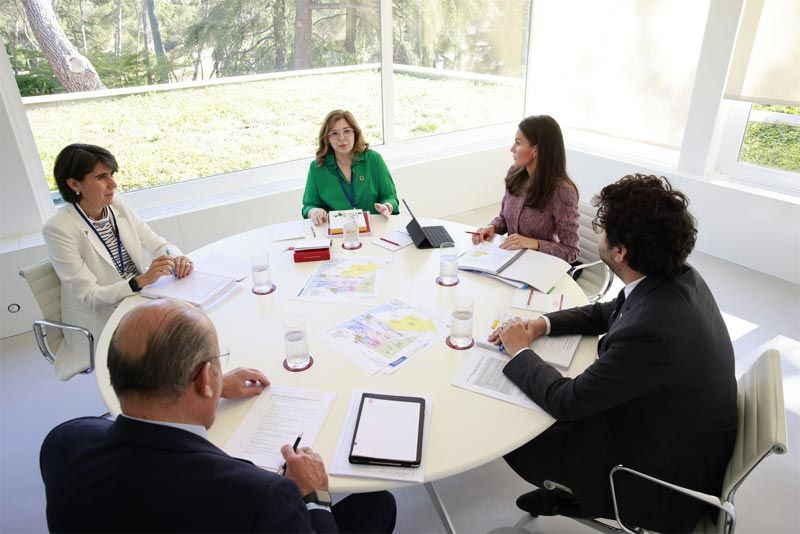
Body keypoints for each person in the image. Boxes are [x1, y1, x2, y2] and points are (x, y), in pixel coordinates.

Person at [491, 174, 737, 532]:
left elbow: (568, 401)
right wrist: (539, 325)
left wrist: (519, 351)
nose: (598, 233)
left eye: (602, 228)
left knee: (515, 435)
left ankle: (577, 494)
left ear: (620, 252)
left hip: (654, 479)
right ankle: (572, 496)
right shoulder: (676, 277)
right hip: (672, 432)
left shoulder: (653, 330)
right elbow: (608, 311)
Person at [40, 299, 397, 533]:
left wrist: (212, 386)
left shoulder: (63, 441)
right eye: (216, 363)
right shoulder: (264, 496)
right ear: (202, 379)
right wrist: (312, 495)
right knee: (377, 502)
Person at [42, 143, 193, 380]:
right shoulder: (59, 229)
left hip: (140, 295)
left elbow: (154, 241)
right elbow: (90, 297)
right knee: (176, 335)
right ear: (74, 184)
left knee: (194, 317)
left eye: (111, 175)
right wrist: (140, 281)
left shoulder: (116, 204)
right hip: (105, 313)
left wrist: (176, 256)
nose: (113, 184)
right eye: (102, 177)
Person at [472, 115, 580, 263]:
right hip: (510, 260)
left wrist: (534, 243)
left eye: (518, 143)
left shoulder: (562, 192)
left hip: (541, 267)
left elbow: (571, 251)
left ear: (536, 150)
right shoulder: (515, 174)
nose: (512, 149)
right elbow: (504, 218)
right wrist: (491, 228)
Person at [302, 110, 399, 224]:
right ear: (327, 138)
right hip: (336, 231)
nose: (342, 138)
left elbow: (390, 197)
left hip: (374, 228)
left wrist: (387, 206)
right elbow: (309, 205)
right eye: (334, 133)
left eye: (347, 131)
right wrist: (314, 211)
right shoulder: (317, 167)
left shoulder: (373, 159)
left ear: (355, 133)